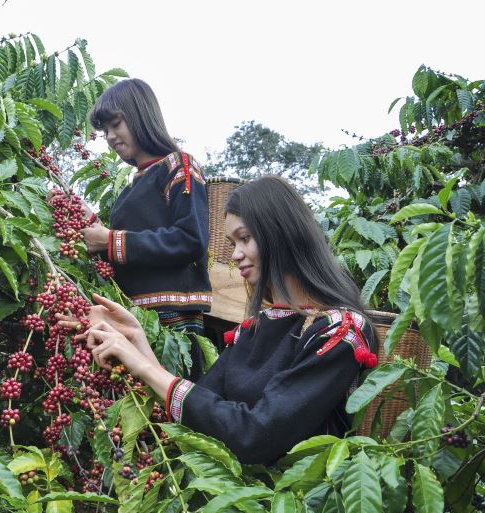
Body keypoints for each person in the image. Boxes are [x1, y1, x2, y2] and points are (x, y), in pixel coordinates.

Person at [60, 176, 380, 465]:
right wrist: (136, 340)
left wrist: (144, 366)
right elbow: (202, 411)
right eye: (232, 243)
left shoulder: (340, 330)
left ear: (281, 233)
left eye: (245, 238)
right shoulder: (259, 326)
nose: (236, 254)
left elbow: (256, 435)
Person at [78, 78, 212, 379]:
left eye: (116, 124)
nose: (110, 136)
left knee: (172, 411)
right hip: (131, 317)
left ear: (139, 116)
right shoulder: (131, 188)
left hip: (172, 322)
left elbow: (191, 239)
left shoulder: (179, 166)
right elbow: (128, 251)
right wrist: (92, 227)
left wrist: (110, 241)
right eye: (105, 131)